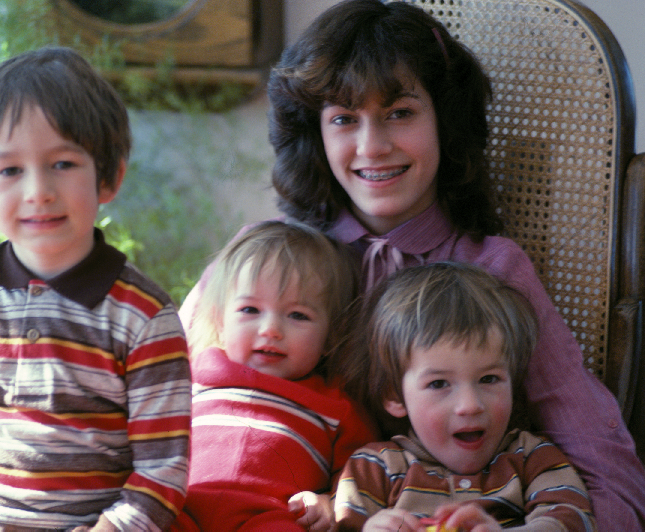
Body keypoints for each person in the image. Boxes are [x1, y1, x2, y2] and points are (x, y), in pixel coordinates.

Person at [179, 0, 645, 529]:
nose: (372, 146)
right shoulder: (265, 259)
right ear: (315, 134)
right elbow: (161, 390)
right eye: (344, 119)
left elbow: (598, 454)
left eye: (400, 113)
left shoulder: (493, 270)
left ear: (445, 120)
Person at [0, 47, 191, 532]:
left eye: (63, 163)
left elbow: (162, 476)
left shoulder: (144, 316)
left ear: (109, 177)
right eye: (10, 170)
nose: (38, 192)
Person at [333, 262, 596, 531]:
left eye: (489, 379)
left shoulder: (532, 459)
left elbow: (574, 522)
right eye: (438, 384)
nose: (470, 405)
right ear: (395, 395)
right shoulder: (373, 469)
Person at [170, 221, 377, 532]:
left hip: (271, 514)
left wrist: (330, 501)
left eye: (298, 315)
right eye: (250, 310)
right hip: (183, 504)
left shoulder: (336, 405)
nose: (270, 329)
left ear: (331, 336)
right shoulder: (192, 377)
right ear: (220, 321)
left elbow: (364, 471)